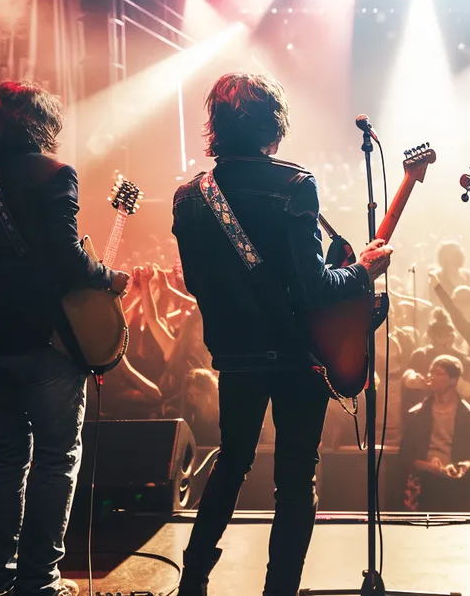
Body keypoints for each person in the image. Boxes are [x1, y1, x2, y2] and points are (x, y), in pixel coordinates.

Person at [171, 72, 393, 596]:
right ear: (274, 126)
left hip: (235, 355)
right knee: (296, 479)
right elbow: (313, 288)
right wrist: (363, 271)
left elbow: (195, 283)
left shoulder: (189, 197)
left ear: (217, 128)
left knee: (231, 462)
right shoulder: (295, 184)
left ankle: (194, 580)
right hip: (297, 358)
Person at [0, 81, 129, 596]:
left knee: (4, 456)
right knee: (55, 458)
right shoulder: (55, 174)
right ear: (43, 124)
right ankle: (38, 581)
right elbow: (68, 261)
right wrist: (108, 276)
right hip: (44, 340)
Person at [399, 355, 470, 512]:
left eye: (439, 373)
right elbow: (405, 455)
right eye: (431, 372)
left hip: (456, 484)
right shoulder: (417, 414)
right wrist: (428, 467)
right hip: (423, 482)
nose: (432, 377)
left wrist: (458, 468)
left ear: (453, 380)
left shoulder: (468, 415)